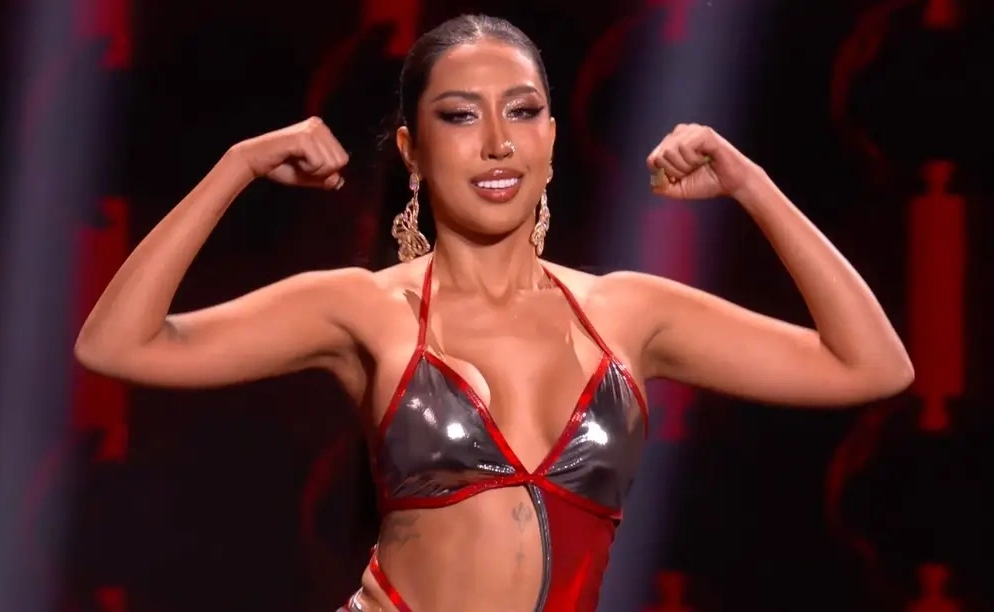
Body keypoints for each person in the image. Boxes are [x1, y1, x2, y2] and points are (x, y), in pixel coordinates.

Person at [74, 14, 914, 612]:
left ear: (550, 139)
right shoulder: (365, 309)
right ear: (412, 150)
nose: (497, 142)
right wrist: (235, 166)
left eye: (521, 110)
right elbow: (118, 344)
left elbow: (872, 365)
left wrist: (751, 186)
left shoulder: (628, 310)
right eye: (459, 116)